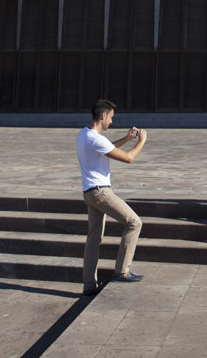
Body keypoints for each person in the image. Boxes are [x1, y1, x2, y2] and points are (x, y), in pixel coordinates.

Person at [76, 98, 147, 295]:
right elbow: (128, 158)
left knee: (94, 239)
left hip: (89, 193)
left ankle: (89, 285)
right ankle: (122, 271)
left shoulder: (83, 135)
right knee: (134, 222)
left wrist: (126, 138)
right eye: (111, 118)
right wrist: (141, 142)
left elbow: (106, 148)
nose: (111, 122)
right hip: (101, 192)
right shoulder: (95, 138)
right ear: (103, 116)